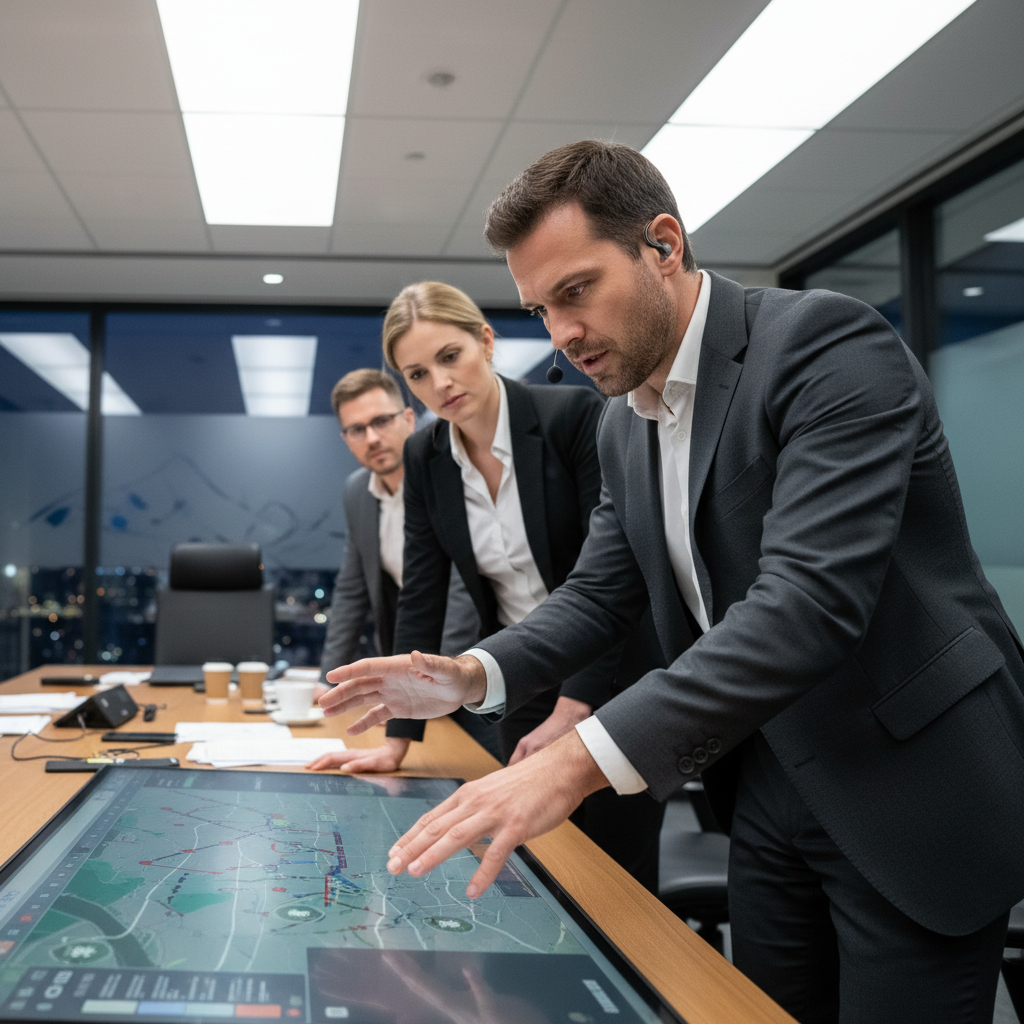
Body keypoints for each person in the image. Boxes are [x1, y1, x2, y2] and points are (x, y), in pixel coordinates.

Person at [322, 141, 1024, 1024]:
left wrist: (575, 758)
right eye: (541, 309)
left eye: (577, 291)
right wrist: (467, 676)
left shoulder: (824, 344)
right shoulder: (625, 424)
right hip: (767, 777)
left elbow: (806, 605)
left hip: (907, 780)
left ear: (663, 244)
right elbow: (597, 593)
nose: (561, 334)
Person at [315, 281, 666, 891]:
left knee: (614, 876)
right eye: (418, 375)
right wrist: (398, 739)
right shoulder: (425, 455)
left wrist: (574, 708)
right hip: (521, 672)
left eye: (450, 357)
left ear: (485, 341)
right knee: (535, 867)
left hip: (613, 677)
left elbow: (617, 578)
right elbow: (422, 593)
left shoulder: (571, 418)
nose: (440, 383)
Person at [311, 367, 493, 770]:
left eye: (381, 421)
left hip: (479, 661)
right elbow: (351, 590)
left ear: (409, 419)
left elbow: (462, 590)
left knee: (475, 768)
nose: (372, 438)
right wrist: (327, 682)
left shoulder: (448, 477)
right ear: (346, 439)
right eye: (357, 429)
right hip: (419, 671)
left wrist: (437, 680)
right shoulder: (358, 491)